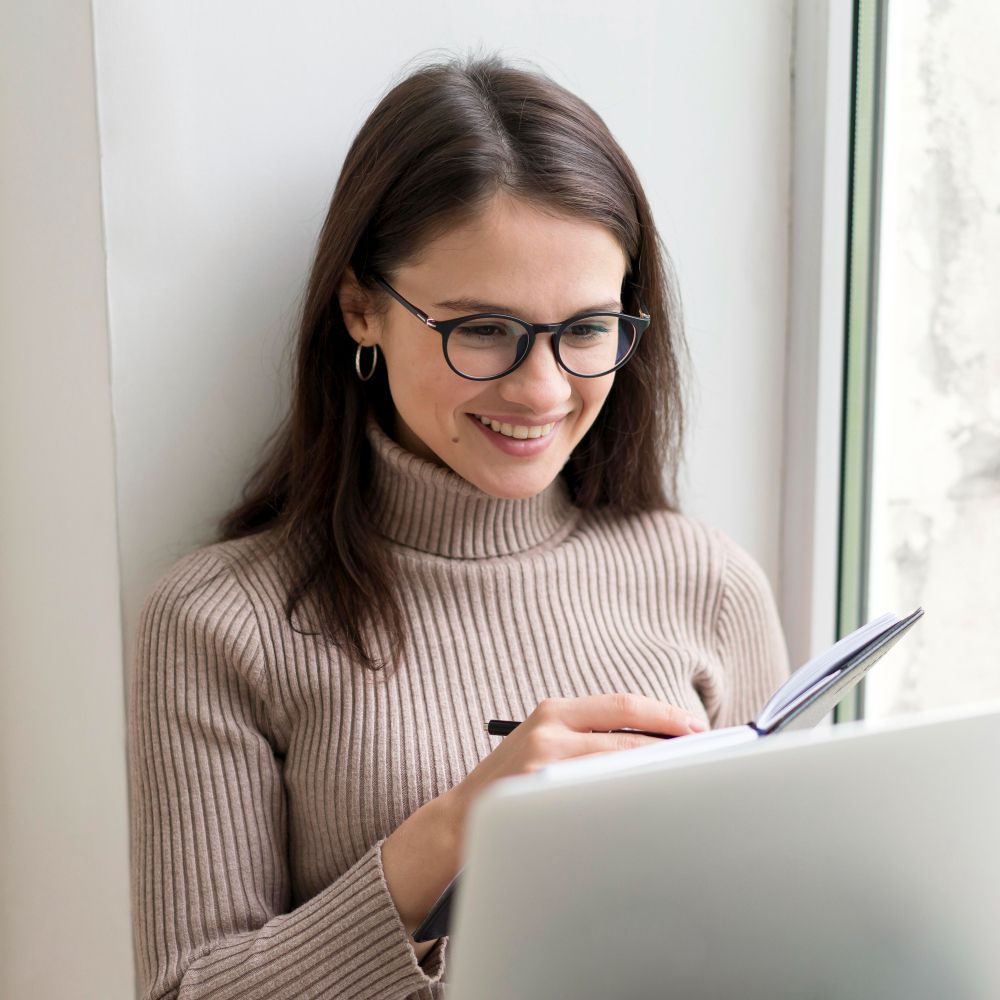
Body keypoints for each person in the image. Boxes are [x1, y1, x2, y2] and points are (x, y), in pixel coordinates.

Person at [127, 52, 790, 1000]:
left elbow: (784, 930)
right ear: (361, 308)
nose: (543, 390)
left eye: (588, 329)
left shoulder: (707, 580)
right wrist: (464, 824)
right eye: (482, 329)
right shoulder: (220, 622)